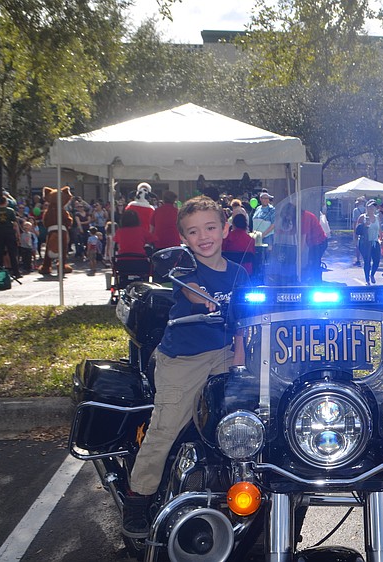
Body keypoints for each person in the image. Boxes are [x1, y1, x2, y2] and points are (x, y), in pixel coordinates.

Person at [122, 196, 249, 538]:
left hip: (223, 353)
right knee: (165, 428)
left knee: (239, 423)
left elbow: (244, 323)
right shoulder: (184, 267)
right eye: (193, 231)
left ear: (225, 229)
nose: (203, 236)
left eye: (210, 227)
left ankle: (237, 490)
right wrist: (205, 298)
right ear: (184, 238)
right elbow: (192, 290)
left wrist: (239, 365)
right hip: (182, 359)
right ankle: (138, 497)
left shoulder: (239, 273)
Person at [0, 195, 21, 278]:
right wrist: (18, 235)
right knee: (12, 253)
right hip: (9, 232)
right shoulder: (10, 211)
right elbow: (15, 224)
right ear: (6, 202)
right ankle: (16, 272)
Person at [356, 200, 381, 285]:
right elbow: (357, 230)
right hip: (365, 242)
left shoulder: (377, 217)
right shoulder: (362, 217)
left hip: (375, 242)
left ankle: (372, 274)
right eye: (370, 206)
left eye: (374, 206)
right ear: (367, 207)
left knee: (376, 261)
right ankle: (367, 279)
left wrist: (381, 238)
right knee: (367, 261)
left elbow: (379, 229)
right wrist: (364, 225)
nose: (372, 208)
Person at [351, 197, 366, 266]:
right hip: (365, 229)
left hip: (358, 228)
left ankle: (358, 259)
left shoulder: (355, 210)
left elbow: (355, 221)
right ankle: (365, 259)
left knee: (357, 245)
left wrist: (355, 231)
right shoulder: (366, 210)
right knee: (365, 244)